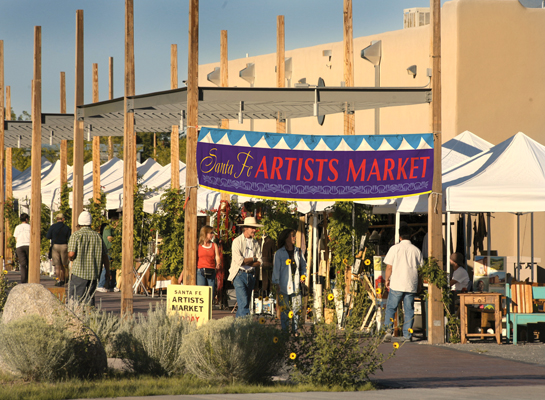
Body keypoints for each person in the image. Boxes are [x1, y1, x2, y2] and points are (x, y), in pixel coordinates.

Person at [383, 224, 423, 342]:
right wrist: (419, 283)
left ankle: (388, 331)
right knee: (409, 310)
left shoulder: (394, 249)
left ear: (400, 236)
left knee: (391, 308)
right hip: (411, 283)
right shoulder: (416, 250)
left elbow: (389, 267)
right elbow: (420, 270)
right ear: (410, 236)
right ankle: (407, 335)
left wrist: (387, 279)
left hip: (397, 282)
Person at [68, 211, 110, 306]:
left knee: (75, 299)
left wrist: (71, 258)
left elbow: (71, 253)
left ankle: (75, 319)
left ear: (79, 223)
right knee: (89, 299)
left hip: (79, 273)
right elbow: (105, 256)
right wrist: (107, 271)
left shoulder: (76, 235)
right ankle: (89, 318)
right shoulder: (98, 236)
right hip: (93, 274)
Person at [272, 228, 307, 332]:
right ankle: (285, 330)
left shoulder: (298, 251)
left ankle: (295, 330)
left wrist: (303, 276)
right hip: (283, 284)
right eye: (292, 235)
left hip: (296, 283)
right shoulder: (279, 253)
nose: (294, 238)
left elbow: (303, 266)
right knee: (284, 309)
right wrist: (276, 283)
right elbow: (276, 269)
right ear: (286, 238)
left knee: (297, 308)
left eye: (294, 235)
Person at [227, 216, 263, 317]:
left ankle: (236, 330)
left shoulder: (255, 243)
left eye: (255, 228)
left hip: (251, 275)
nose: (254, 230)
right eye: (252, 228)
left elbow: (260, 261)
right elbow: (239, 261)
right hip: (239, 274)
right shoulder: (237, 241)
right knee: (244, 304)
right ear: (245, 228)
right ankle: (245, 329)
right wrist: (254, 259)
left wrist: (249, 261)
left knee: (245, 303)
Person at [178, 225, 221, 299]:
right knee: (201, 293)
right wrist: (182, 274)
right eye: (211, 233)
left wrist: (218, 263)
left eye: (212, 233)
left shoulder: (214, 245)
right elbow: (191, 261)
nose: (212, 235)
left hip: (211, 270)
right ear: (205, 233)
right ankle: (203, 309)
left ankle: (209, 309)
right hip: (200, 271)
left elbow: (217, 256)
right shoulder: (198, 246)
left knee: (211, 294)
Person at [46, 213, 71, 286]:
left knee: (57, 265)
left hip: (55, 246)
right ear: (63, 219)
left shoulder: (52, 227)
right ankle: (64, 279)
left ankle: (58, 280)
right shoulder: (66, 227)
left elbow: (48, 236)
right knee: (64, 264)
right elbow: (70, 238)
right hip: (64, 246)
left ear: (57, 219)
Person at [97, 214, 119, 292]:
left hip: (114, 250)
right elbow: (109, 238)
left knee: (113, 268)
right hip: (108, 250)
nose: (118, 224)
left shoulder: (116, 230)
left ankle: (112, 285)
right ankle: (100, 285)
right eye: (117, 222)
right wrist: (119, 240)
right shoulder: (107, 228)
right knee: (107, 267)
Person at [13, 213, 31, 284]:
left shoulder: (17, 227)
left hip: (20, 246)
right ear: (27, 219)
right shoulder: (30, 227)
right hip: (29, 245)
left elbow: (16, 237)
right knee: (30, 263)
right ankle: (30, 278)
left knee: (23, 264)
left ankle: (23, 280)